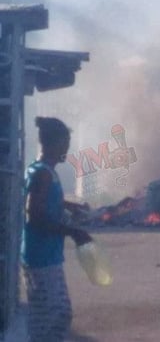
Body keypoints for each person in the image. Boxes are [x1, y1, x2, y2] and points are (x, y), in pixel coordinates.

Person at [22, 117, 92, 342]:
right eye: (65, 143)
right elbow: (35, 214)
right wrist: (72, 232)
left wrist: (68, 205)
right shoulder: (43, 173)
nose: (66, 149)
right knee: (56, 316)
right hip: (41, 258)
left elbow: (44, 201)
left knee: (48, 316)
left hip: (45, 256)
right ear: (54, 143)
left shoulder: (41, 170)